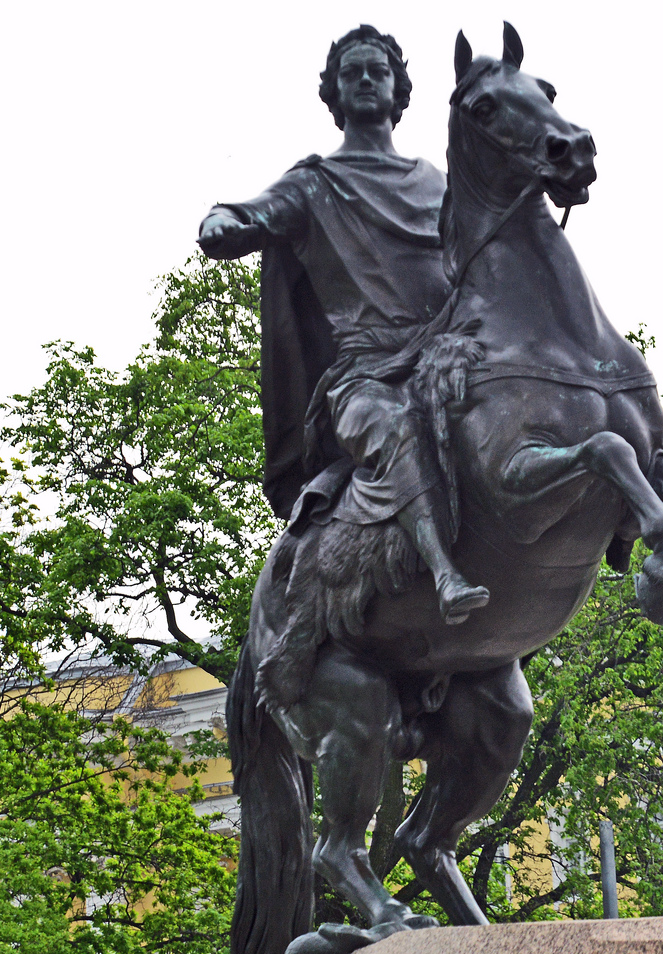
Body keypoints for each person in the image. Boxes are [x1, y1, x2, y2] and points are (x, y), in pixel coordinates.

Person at [197, 25, 488, 623]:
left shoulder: (436, 182)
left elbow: (477, 270)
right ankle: (444, 572)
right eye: (350, 72)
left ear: (397, 90)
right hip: (364, 381)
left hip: (441, 360)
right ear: (332, 92)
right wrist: (221, 220)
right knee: (393, 427)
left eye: (376, 71)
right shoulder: (313, 185)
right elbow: (246, 211)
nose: (363, 79)